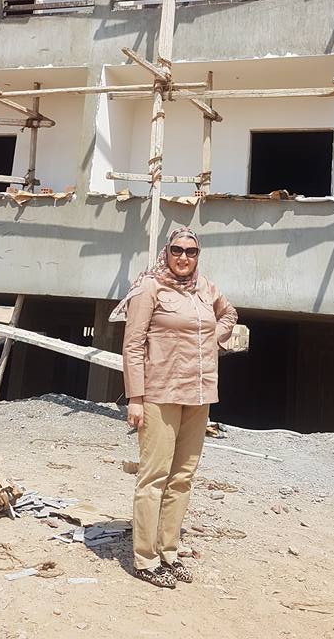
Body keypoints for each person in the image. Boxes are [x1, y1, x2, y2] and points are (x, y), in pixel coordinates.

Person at [114, 227, 238, 589]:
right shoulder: (149, 287)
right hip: (160, 393)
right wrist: (135, 398)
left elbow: (229, 313)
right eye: (177, 250)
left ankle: (168, 552)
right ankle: (145, 559)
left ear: (198, 255)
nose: (184, 257)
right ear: (167, 252)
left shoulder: (205, 288)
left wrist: (214, 338)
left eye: (191, 251)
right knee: (154, 476)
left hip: (198, 394)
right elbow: (132, 345)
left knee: (182, 477)